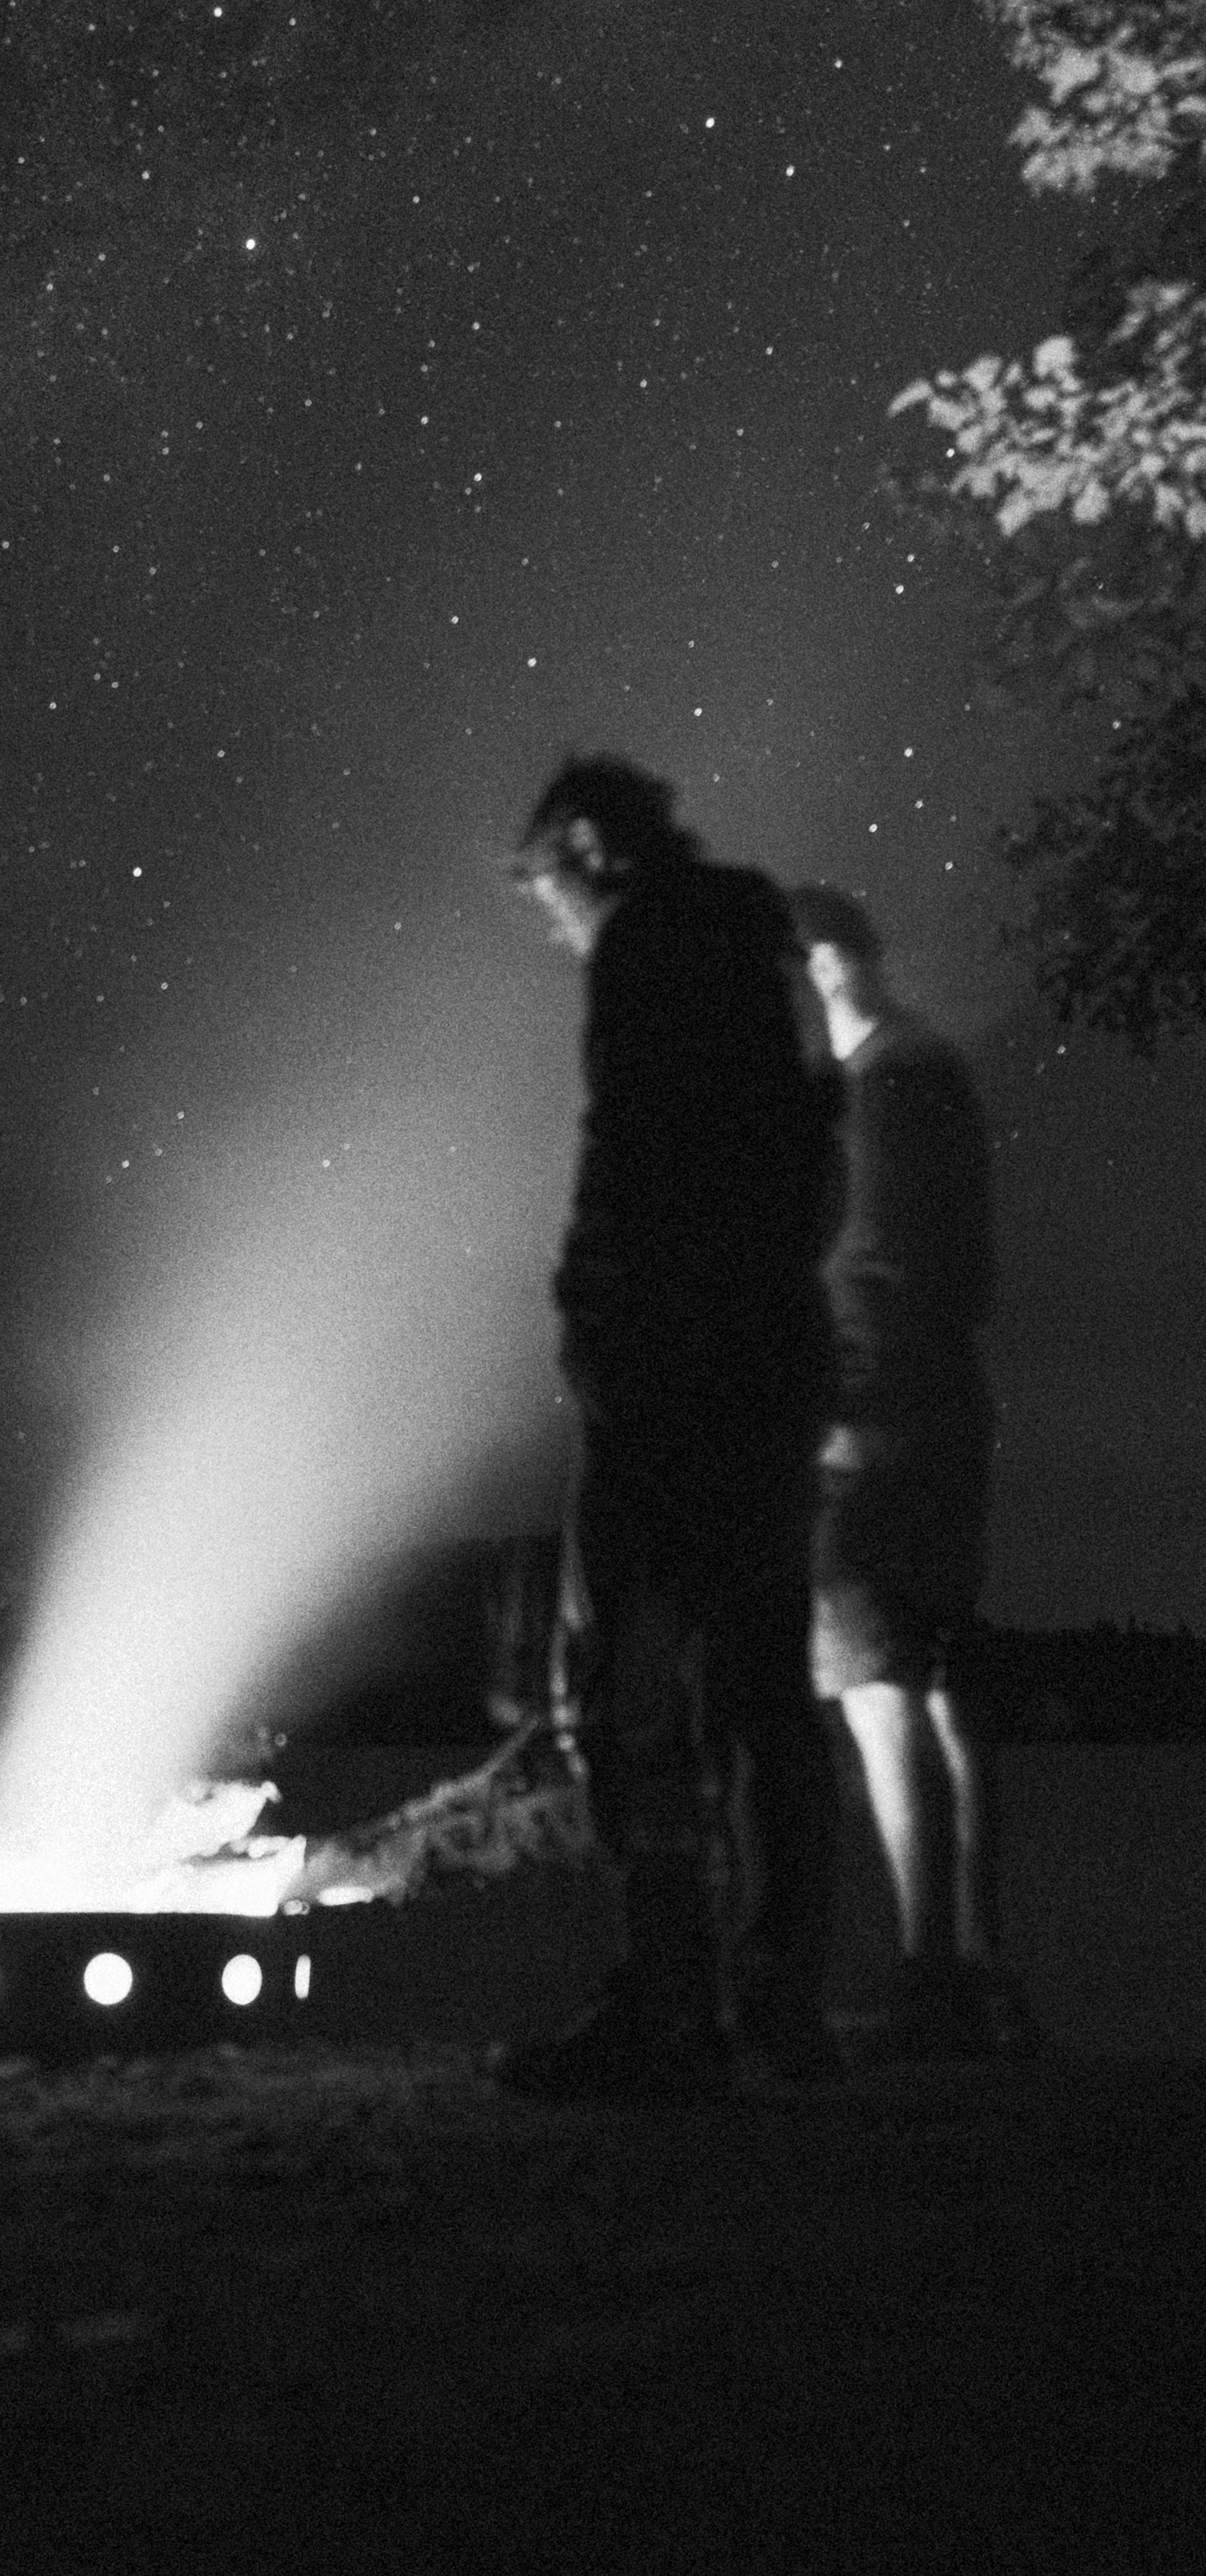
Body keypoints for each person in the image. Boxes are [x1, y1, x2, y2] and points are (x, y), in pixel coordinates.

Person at [496, 756, 847, 2099]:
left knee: (632, 1688)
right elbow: (824, 1140)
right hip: (772, 1350)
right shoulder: (771, 945)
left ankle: (670, 1998)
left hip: (667, 1367)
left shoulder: (647, 943)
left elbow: (626, 1145)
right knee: (767, 1682)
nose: (552, 922)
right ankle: (785, 1994)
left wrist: (596, 1315)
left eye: (550, 887)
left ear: (590, 846)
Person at [787, 886, 1041, 2060]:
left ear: (828, 964)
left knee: (880, 1682)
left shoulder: (885, 1080)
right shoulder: (926, 1065)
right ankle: (975, 1969)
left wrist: (839, 1407)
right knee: (938, 1680)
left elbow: (880, 1261)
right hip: (938, 1410)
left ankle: (931, 1975)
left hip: (882, 1423)